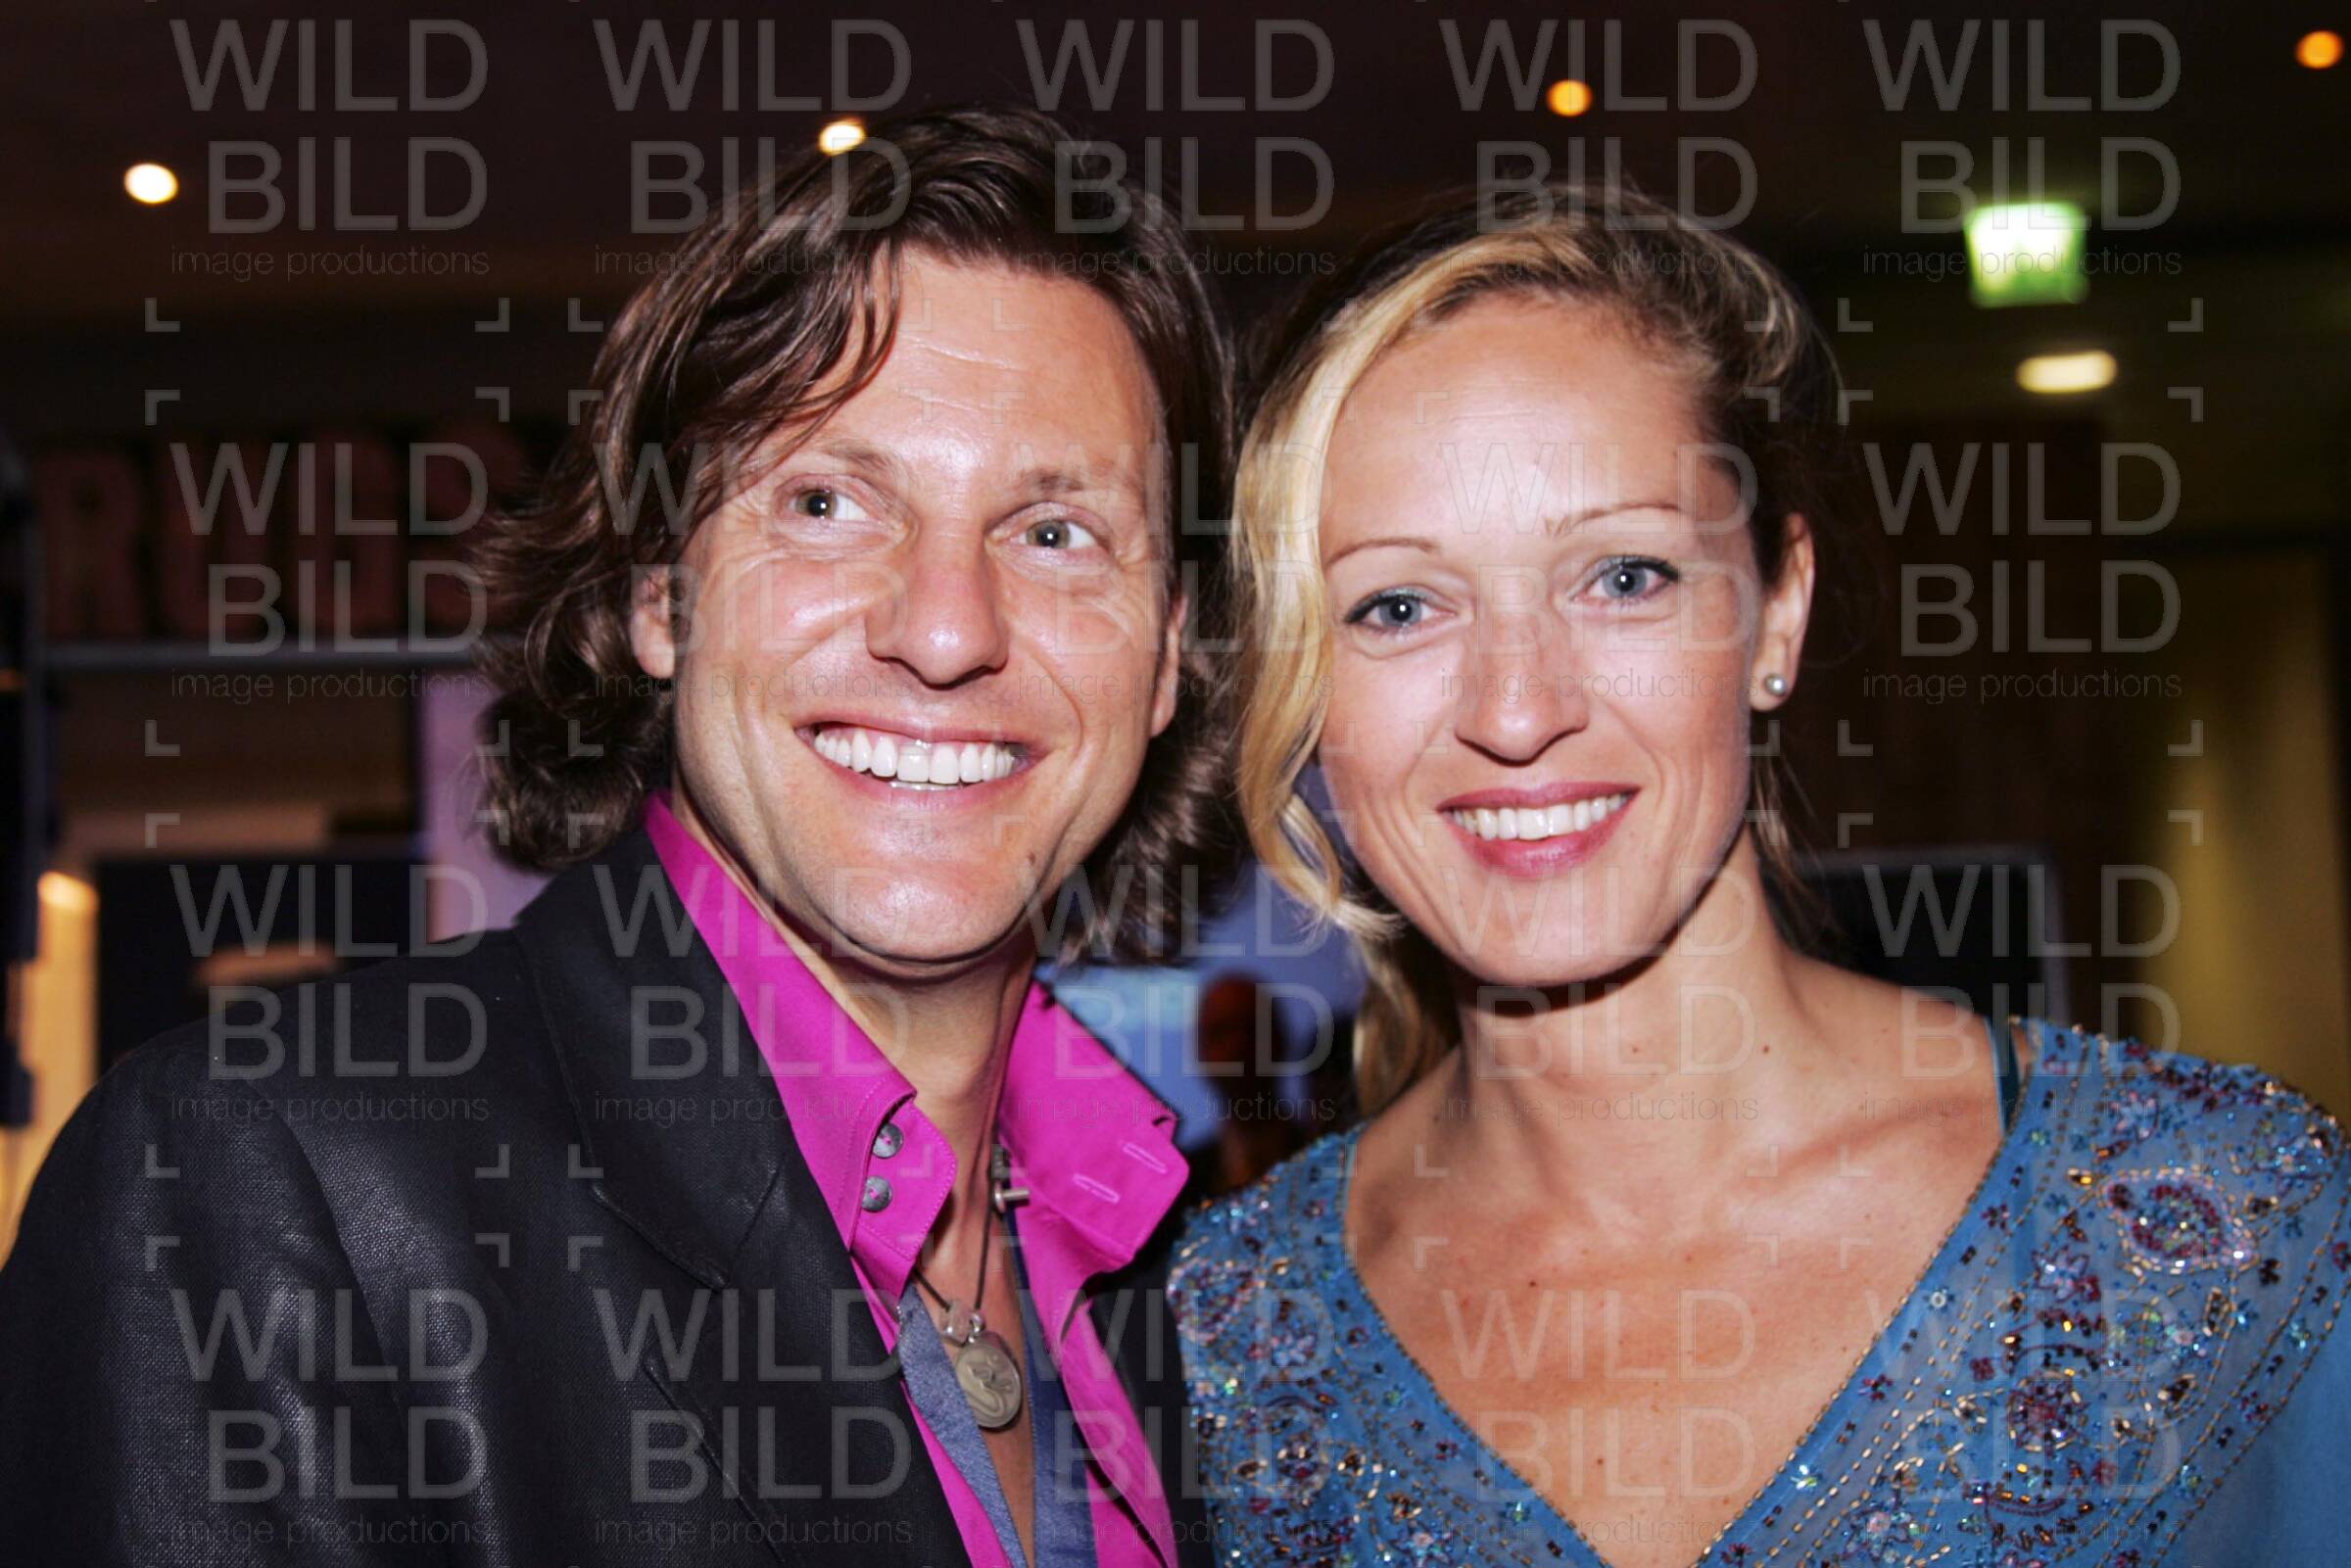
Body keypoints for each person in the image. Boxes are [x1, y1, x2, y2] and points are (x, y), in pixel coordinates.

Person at [0, 106, 1233, 1568]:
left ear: (1167, 651)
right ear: (660, 593)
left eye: (1056, 532)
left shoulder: (1176, 1267)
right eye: (827, 501)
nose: (949, 629)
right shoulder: (260, 1184)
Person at [1169, 183, 2351, 1568]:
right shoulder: (1222, 1346)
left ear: (1776, 610)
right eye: (1398, 605)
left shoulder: (2219, 1223)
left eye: (1623, 576)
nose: (1517, 709)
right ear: (1304, 685)